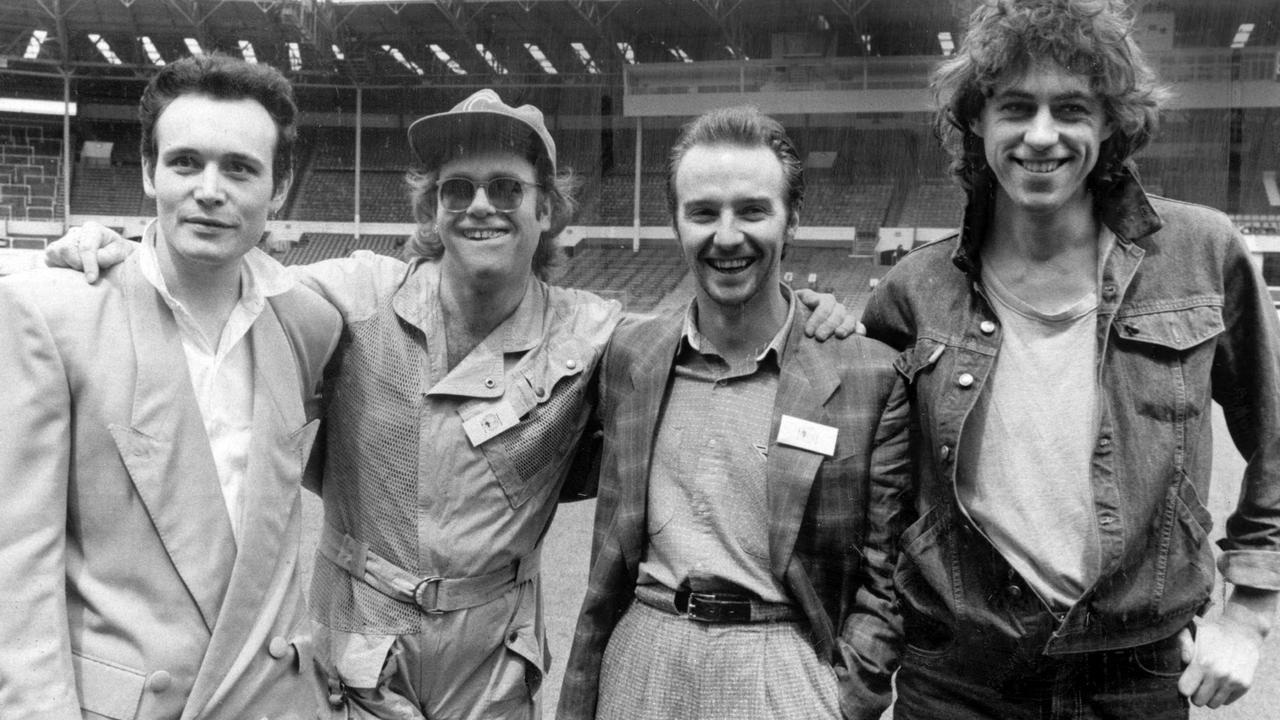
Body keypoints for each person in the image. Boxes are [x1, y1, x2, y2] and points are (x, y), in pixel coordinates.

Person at [46, 90, 856, 720]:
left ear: (548, 211)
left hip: (493, 663)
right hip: (356, 649)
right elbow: (225, 289)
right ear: (430, 210)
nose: (480, 205)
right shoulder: (353, 297)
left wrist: (815, 311)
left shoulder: (598, 335)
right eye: (456, 188)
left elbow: (721, 333)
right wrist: (124, 252)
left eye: (507, 187)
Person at [861, 1, 1280, 717]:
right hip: (958, 680)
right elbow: (871, 492)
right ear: (976, 123)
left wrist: (1250, 607)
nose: (1042, 135)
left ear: (1111, 123)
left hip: (1136, 680)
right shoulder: (913, 291)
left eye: (1073, 109)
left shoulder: (1203, 256)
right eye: (1016, 107)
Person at [0, 54, 342, 718]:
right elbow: (16, 562)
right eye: (186, 163)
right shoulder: (53, 313)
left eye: (240, 168)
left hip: (272, 702)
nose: (210, 189)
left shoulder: (309, 321)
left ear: (279, 186)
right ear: (150, 172)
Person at [558, 106, 910, 720]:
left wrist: (844, 698)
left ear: (791, 218)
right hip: (643, 655)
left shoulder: (869, 374)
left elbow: (889, 577)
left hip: (785, 668)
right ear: (676, 222)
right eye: (703, 212)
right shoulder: (628, 357)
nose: (726, 236)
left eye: (752, 210)